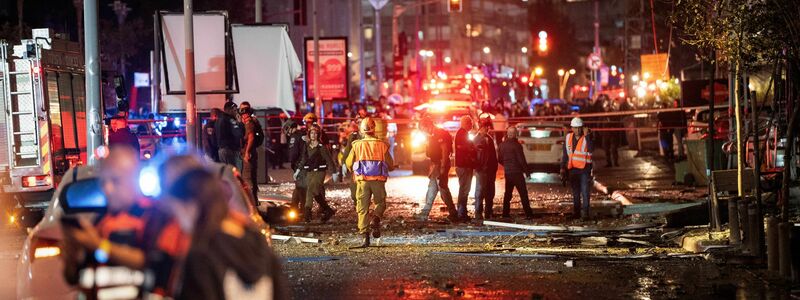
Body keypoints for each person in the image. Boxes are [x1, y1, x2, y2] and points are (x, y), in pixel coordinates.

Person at [155, 156, 289, 299]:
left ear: (191, 206)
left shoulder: (201, 254)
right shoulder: (256, 240)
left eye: (178, 211)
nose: (180, 221)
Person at [61, 146, 151, 295]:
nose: (108, 188)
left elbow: (152, 264)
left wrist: (99, 246)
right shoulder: (99, 223)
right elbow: (72, 278)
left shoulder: (153, 218)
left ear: (134, 179)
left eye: (115, 181)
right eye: (103, 182)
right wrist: (72, 255)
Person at [345, 118, 394, 248]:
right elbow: (390, 163)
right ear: (374, 128)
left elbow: (349, 163)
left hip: (362, 181)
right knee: (380, 203)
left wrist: (352, 169)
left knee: (362, 208)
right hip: (378, 180)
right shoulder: (382, 144)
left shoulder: (356, 145)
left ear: (362, 129)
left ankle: (365, 239)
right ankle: (376, 218)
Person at [414, 117, 458, 222]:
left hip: (440, 164)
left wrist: (442, 168)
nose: (423, 132)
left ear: (427, 126)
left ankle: (453, 212)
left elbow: (444, 150)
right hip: (436, 164)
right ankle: (426, 212)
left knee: (442, 189)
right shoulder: (432, 135)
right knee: (433, 188)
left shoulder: (440, 133)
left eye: (423, 129)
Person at [296, 125, 336, 223]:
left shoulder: (321, 147)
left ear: (318, 135)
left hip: (320, 172)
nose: (313, 135)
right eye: (312, 133)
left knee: (310, 190)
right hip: (310, 172)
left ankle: (307, 214)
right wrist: (298, 170)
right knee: (315, 192)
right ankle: (328, 210)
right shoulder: (307, 145)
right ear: (309, 134)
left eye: (315, 133)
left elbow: (329, 160)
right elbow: (304, 159)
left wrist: (334, 172)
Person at [561, 117, 594, 220]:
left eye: (579, 128)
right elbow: (565, 154)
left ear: (582, 128)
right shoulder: (568, 138)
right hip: (573, 169)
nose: (577, 130)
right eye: (575, 128)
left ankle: (585, 214)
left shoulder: (587, 137)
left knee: (584, 192)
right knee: (575, 193)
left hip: (584, 169)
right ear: (572, 128)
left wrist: (587, 135)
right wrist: (562, 167)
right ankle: (576, 213)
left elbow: (591, 149)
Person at [498, 127, 534, 220]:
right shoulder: (517, 145)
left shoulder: (502, 145)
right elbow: (521, 160)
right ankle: (529, 214)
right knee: (523, 193)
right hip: (517, 172)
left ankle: (505, 213)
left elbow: (500, 159)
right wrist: (527, 172)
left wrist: (506, 165)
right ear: (515, 134)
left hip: (508, 172)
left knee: (508, 194)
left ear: (507, 133)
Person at [473, 116, 498, 221]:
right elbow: (474, 155)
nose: (487, 129)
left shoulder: (490, 139)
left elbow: (493, 155)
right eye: (485, 127)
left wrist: (494, 168)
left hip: (490, 170)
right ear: (480, 128)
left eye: (487, 127)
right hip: (481, 169)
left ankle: (488, 212)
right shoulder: (476, 139)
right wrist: (477, 167)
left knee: (490, 192)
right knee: (480, 191)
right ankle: (478, 212)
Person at [454, 116, 477, 221]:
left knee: (464, 189)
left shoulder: (463, 133)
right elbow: (462, 147)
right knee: (464, 190)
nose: (471, 125)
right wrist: (471, 149)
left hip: (464, 165)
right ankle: (461, 212)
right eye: (470, 123)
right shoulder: (462, 134)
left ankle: (462, 212)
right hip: (464, 166)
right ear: (466, 123)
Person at [239, 103, 260, 202]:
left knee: (247, 178)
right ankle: (254, 201)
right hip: (252, 152)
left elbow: (251, 138)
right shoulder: (252, 122)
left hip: (249, 153)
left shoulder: (249, 123)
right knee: (252, 177)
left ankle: (251, 202)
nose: (242, 114)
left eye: (243, 112)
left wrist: (247, 152)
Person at [215, 101, 244, 168]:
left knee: (225, 172)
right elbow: (239, 133)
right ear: (229, 110)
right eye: (235, 110)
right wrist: (240, 123)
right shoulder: (230, 120)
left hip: (221, 150)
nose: (236, 112)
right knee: (231, 172)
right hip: (229, 150)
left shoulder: (218, 119)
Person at [340, 121, 362, 207]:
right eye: (359, 123)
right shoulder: (353, 136)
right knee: (354, 192)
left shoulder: (371, 136)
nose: (360, 125)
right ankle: (357, 203)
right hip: (356, 166)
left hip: (367, 167)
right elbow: (347, 150)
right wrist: (344, 163)